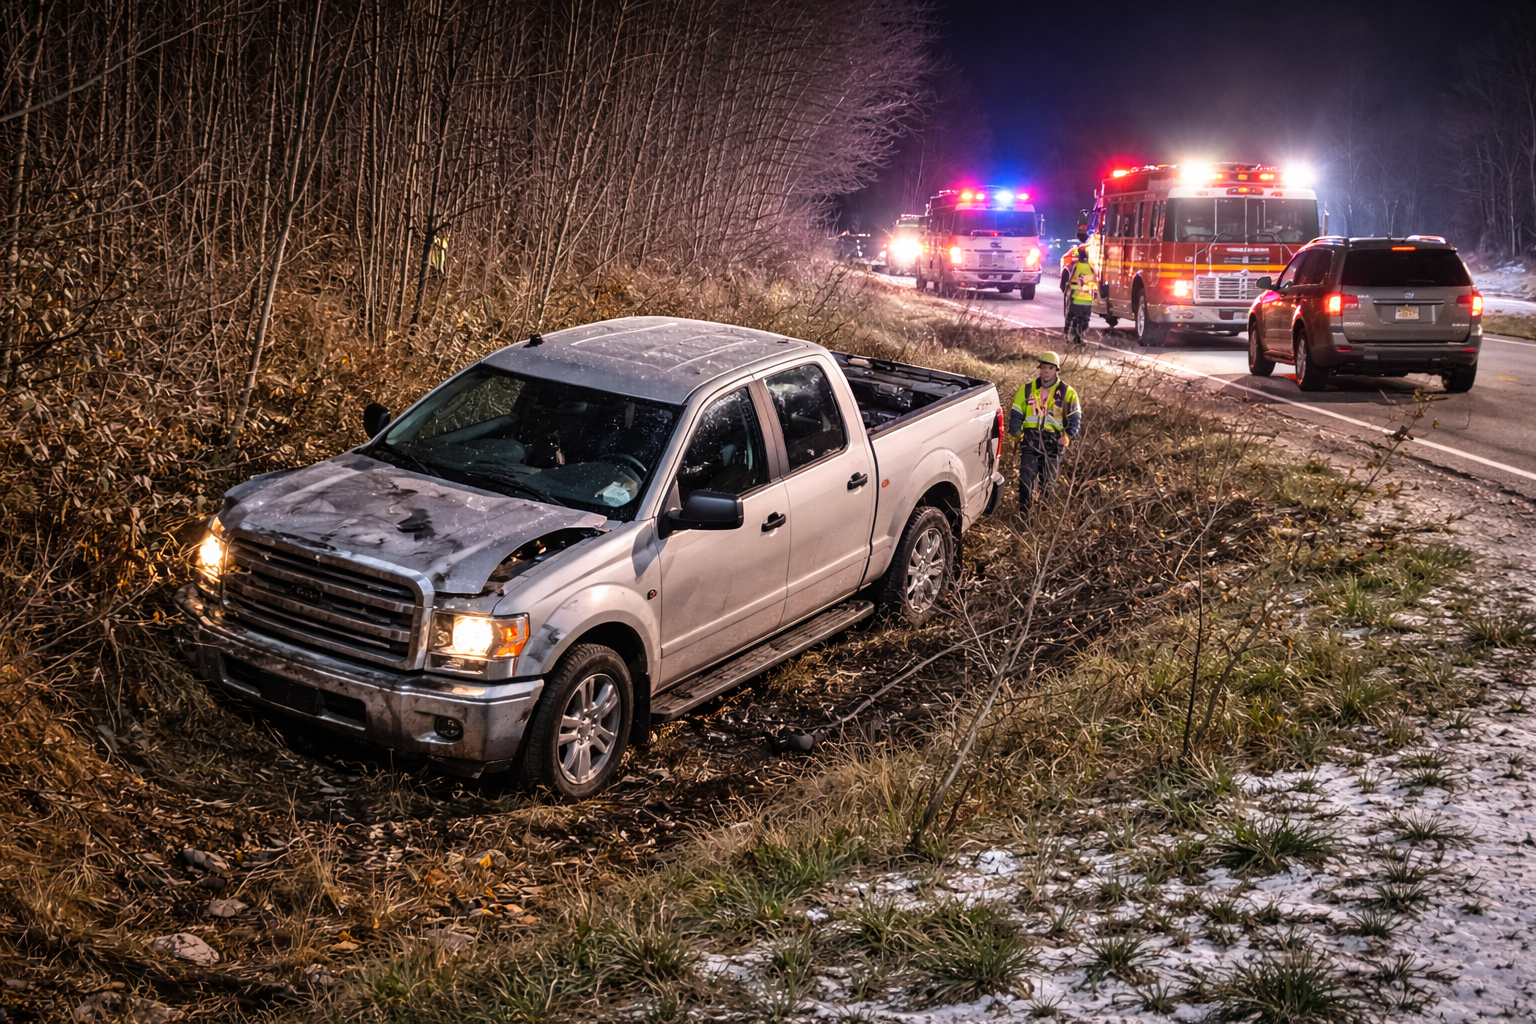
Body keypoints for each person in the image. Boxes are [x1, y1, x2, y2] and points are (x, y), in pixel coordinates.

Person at [1008, 351, 1081, 513]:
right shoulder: (1026, 390)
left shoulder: (1068, 393)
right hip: (1030, 441)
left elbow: (1075, 418)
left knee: (1048, 487)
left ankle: (1042, 517)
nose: (1045, 371)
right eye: (1043, 367)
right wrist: (1016, 434)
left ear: (1056, 370)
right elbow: (1016, 414)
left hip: (1053, 444)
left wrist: (1068, 436)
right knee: (1025, 483)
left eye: (1049, 368)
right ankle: (1024, 516)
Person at [1065, 245, 1096, 339]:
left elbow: (1070, 281)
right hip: (1087, 300)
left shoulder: (1076, 266)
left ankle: (1067, 336)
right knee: (1084, 320)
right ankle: (1080, 337)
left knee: (1071, 318)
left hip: (1076, 299)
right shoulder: (1091, 268)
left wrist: (1067, 288)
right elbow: (1094, 282)